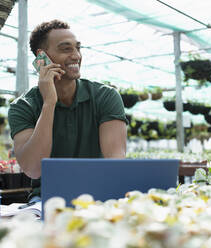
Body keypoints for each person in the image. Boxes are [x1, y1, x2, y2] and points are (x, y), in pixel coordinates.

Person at [8, 20, 128, 202]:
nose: (76, 55)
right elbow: (33, 168)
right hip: (47, 198)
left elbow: (115, 163)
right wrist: (49, 102)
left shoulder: (105, 96)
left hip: (98, 194)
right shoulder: (23, 106)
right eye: (66, 49)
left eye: (78, 48)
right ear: (42, 58)